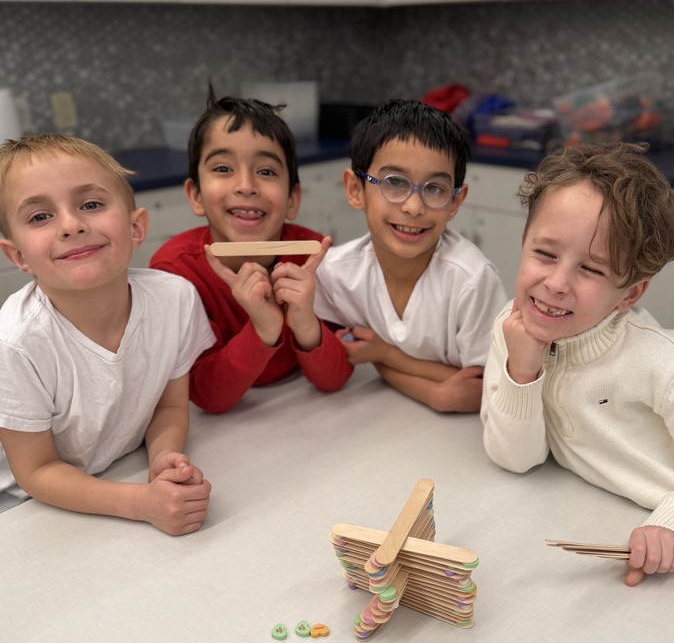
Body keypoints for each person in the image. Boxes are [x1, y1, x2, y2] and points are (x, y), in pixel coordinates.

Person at [481, 142, 674, 585]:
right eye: (545, 254)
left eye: (591, 270)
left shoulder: (668, 365)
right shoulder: (515, 328)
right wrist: (523, 371)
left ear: (630, 294)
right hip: (597, 519)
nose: (556, 283)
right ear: (523, 244)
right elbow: (516, 460)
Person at [0, 134, 215, 535]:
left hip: (117, 470)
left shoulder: (175, 300)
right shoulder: (15, 344)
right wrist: (140, 503)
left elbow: (168, 408)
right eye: (40, 217)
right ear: (18, 257)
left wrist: (164, 458)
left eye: (91, 205)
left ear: (136, 227)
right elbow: (36, 470)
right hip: (24, 513)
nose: (71, 225)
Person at [149, 86, 352, 413]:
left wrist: (305, 324)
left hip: (306, 413)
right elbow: (208, 398)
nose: (246, 185)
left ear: (292, 200)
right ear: (196, 195)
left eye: (267, 171)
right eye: (223, 169)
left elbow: (335, 379)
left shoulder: (311, 259)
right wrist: (263, 328)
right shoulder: (176, 273)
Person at [312, 99, 508, 413]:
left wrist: (386, 357)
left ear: (455, 202)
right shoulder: (335, 272)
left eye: (435, 189)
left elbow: (486, 387)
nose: (414, 207)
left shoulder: (471, 280)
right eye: (394, 182)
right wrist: (436, 390)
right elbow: (332, 368)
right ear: (354, 189)